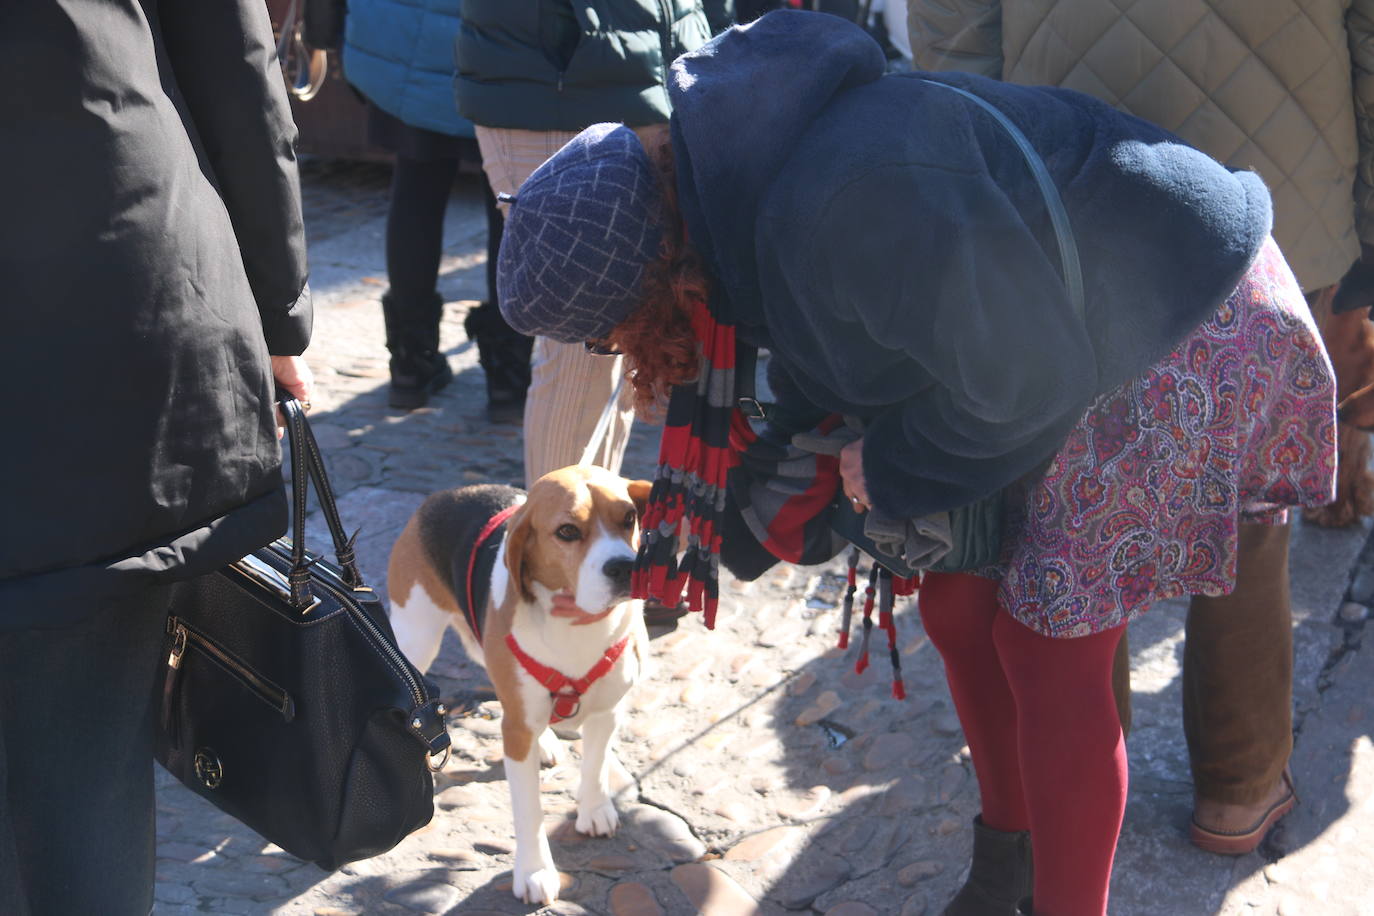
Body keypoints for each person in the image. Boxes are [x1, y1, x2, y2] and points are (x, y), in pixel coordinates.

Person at [492, 11, 1337, 916]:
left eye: (611, 330)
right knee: (959, 603)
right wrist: (773, 492)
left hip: (1178, 321)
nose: (622, 350)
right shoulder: (745, 193)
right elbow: (868, 345)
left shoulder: (840, 200)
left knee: (1049, 649)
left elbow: (1022, 379)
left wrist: (888, 467)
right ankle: (1005, 863)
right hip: (1065, 331)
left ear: (655, 279)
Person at [906, 0, 1374, 862]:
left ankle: (1081, 763)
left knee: (1062, 497)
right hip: (1285, 185)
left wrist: (987, 169)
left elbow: (950, 25)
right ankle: (1239, 790)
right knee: (1247, 506)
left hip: (1067, 186)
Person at [0, 1, 314, 913]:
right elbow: (235, 60)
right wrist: (279, 306)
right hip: (109, 298)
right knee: (82, 767)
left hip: (105, 303)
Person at [453, 0, 730, 486]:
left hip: (648, 71)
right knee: (580, 346)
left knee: (631, 330)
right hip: (557, 76)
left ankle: (590, 539)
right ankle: (555, 553)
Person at [341, 0, 531, 415]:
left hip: (403, 37)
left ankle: (410, 365)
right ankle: (508, 375)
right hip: (503, 48)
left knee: (416, 183)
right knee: (507, 199)